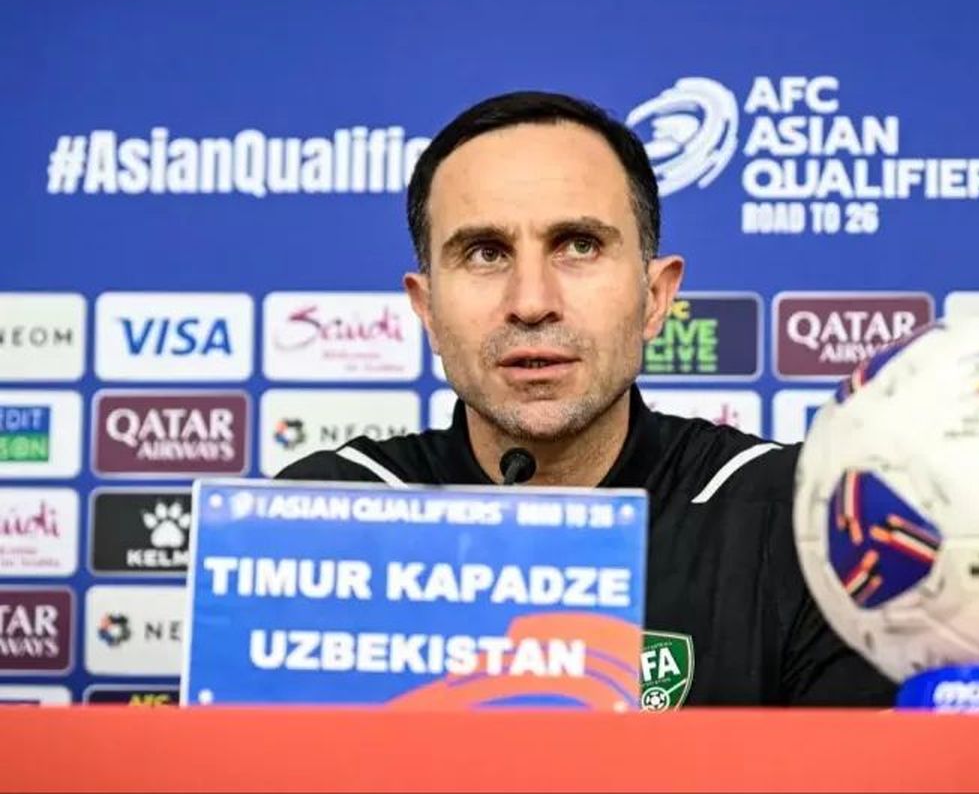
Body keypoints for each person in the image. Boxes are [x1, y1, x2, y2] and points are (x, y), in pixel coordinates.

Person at [277, 91, 896, 707]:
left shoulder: (798, 520)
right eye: (486, 253)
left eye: (579, 245)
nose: (531, 302)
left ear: (655, 297)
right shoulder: (327, 517)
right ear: (427, 309)